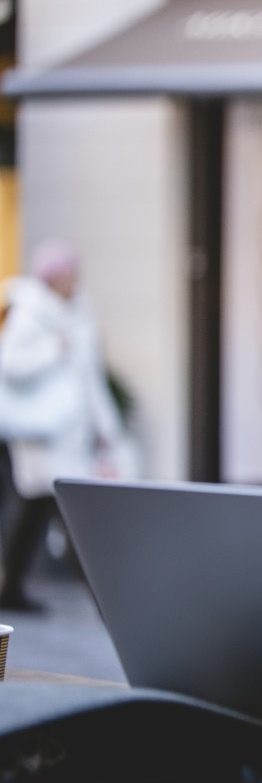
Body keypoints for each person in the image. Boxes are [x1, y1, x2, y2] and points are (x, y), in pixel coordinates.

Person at [0, 240, 124, 611]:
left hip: (72, 433)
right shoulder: (30, 312)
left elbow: (91, 378)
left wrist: (107, 427)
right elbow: (11, 366)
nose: (75, 278)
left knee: (36, 510)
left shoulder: (81, 312)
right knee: (70, 513)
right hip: (41, 436)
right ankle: (105, 596)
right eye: (69, 271)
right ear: (53, 276)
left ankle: (11, 588)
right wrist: (54, 348)